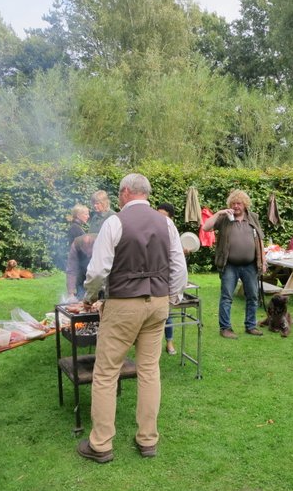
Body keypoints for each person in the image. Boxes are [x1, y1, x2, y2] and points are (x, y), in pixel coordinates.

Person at [76, 173, 187, 463]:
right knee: (149, 370)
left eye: (119, 191)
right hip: (158, 304)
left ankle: (101, 445)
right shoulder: (166, 223)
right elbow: (179, 267)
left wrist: (89, 296)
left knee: (106, 372)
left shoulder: (115, 222)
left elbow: (98, 270)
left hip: (124, 304)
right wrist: (171, 296)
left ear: (126, 192)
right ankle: (147, 440)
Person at [202, 190, 265, 339]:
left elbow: (260, 239)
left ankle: (251, 326)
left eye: (239, 203)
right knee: (226, 297)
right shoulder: (224, 218)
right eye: (233, 203)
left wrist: (263, 261)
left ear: (245, 204)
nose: (236, 206)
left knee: (253, 296)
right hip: (229, 265)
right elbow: (205, 227)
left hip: (250, 265)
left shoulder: (253, 217)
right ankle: (225, 328)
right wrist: (219, 213)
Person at [156, 202, 178, 355]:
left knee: (167, 314)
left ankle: (169, 342)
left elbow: (177, 262)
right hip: (151, 278)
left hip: (166, 279)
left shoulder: (173, 232)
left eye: (164, 216)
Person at [65, 233, 96, 300]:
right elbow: (71, 270)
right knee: (81, 297)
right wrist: (71, 293)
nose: (88, 254)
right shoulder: (76, 245)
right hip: (82, 275)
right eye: (85, 250)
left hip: (100, 275)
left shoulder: (102, 242)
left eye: (90, 250)